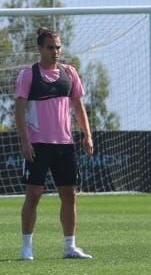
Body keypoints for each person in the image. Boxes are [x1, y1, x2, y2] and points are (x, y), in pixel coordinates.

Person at [14, 27, 95, 261]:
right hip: (38, 144)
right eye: (50, 47)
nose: (55, 51)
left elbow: (78, 106)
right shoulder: (28, 74)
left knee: (69, 195)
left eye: (58, 47)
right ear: (40, 48)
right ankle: (26, 246)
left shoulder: (69, 73)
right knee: (34, 194)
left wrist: (87, 134)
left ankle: (70, 246)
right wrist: (25, 141)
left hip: (65, 145)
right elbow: (19, 110)